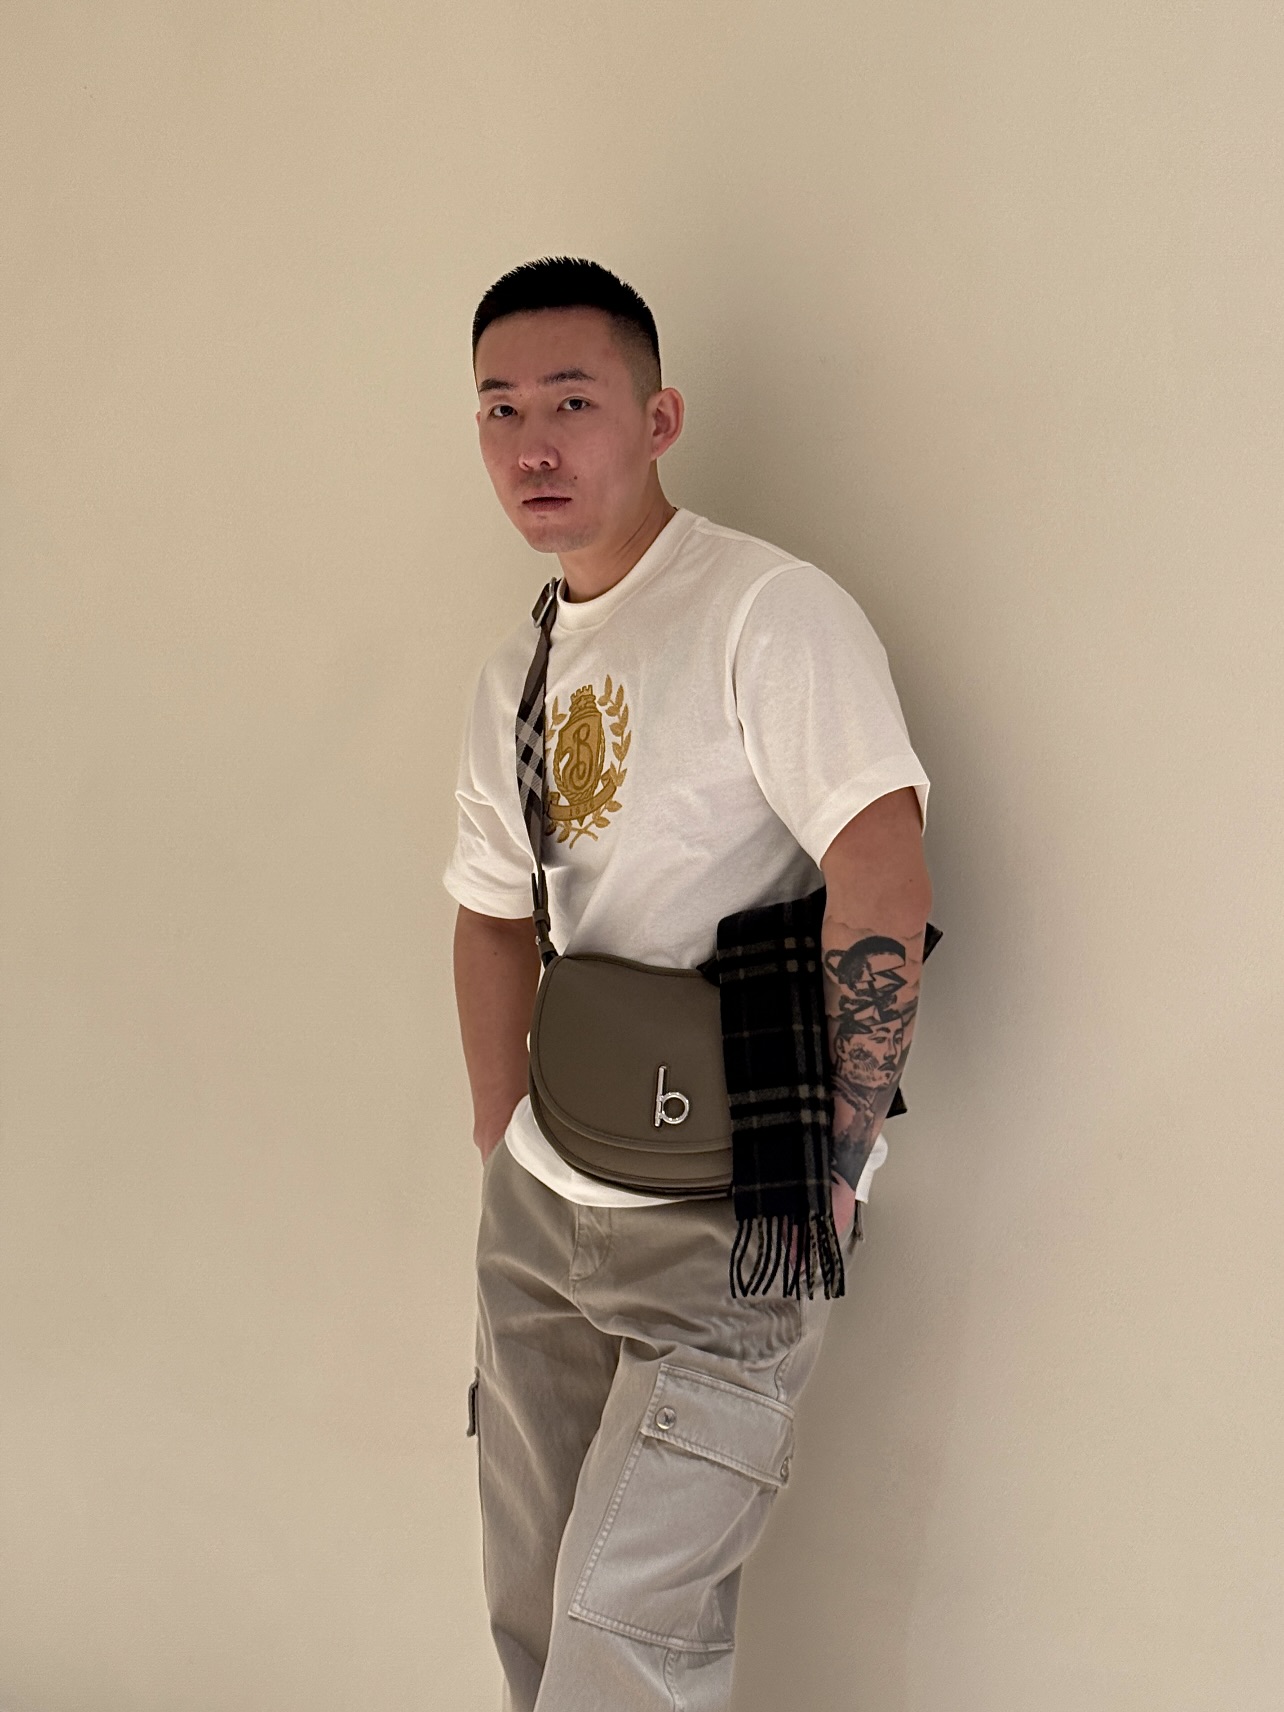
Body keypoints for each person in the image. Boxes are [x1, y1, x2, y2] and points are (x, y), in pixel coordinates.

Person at [444, 257, 933, 1712]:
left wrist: (835, 1159)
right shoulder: (521, 668)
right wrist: (502, 1145)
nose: (533, 444)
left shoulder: (765, 612)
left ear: (658, 420)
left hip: (733, 1207)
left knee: (623, 1635)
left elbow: (882, 870)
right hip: (548, 1204)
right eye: (500, 410)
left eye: (572, 402)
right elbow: (486, 916)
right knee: (535, 1615)